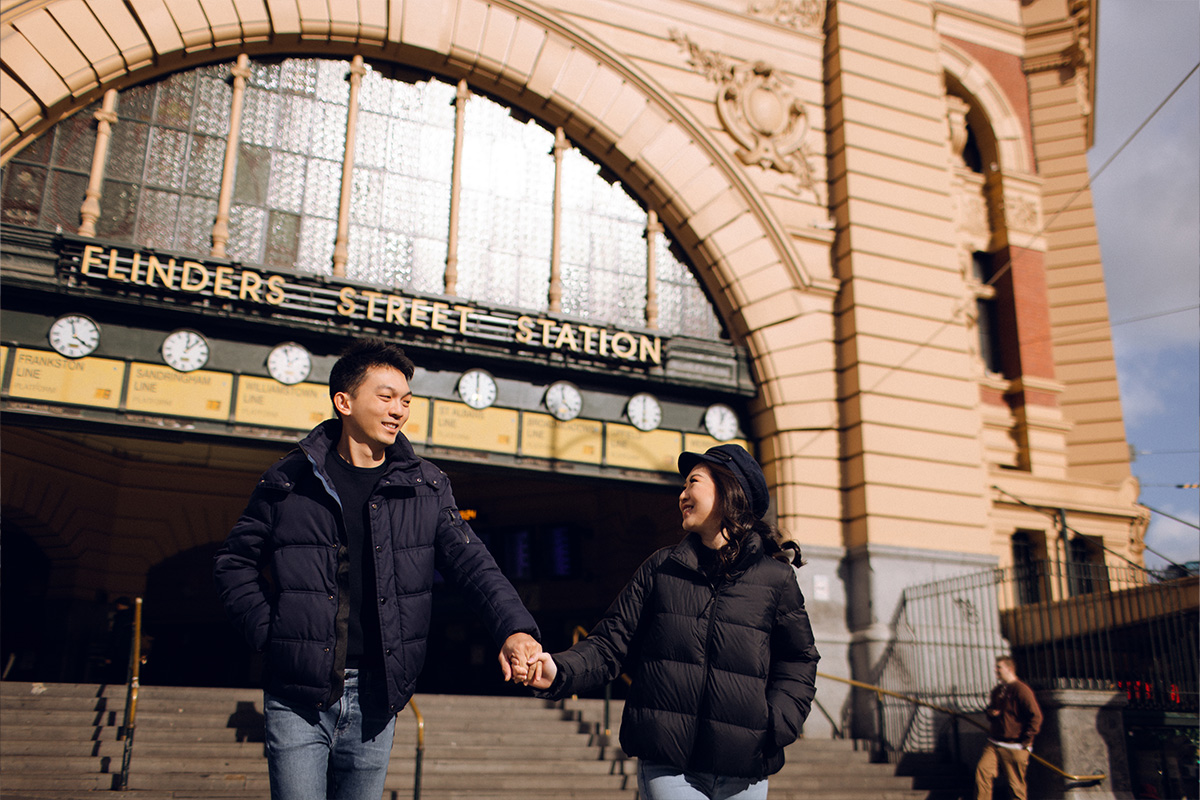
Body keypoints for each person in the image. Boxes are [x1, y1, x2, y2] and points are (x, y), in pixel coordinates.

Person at [214, 338, 542, 800]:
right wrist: (271, 636)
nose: (399, 411)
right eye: (386, 397)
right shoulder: (289, 481)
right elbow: (234, 563)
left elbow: (473, 565)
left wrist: (515, 630)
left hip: (377, 694)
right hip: (298, 694)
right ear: (343, 401)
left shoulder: (425, 485)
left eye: (406, 400)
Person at [528, 443, 820, 800]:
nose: (681, 495)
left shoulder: (776, 579)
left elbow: (799, 659)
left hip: (745, 769)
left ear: (729, 490)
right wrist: (559, 669)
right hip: (670, 765)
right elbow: (610, 644)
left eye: (692, 483)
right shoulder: (661, 568)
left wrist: (777, 723)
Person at [975, 656, 1043, 800]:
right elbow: (992, 711)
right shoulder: (998, 691)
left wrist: (1026, 740)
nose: (995, 670)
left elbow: (1036, 716)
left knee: (1016, 786)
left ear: (1009, 669)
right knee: (982, 772)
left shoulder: (1021, 689)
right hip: (994, 742)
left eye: (999, 667)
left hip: (1015, 745)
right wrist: (991, 713)